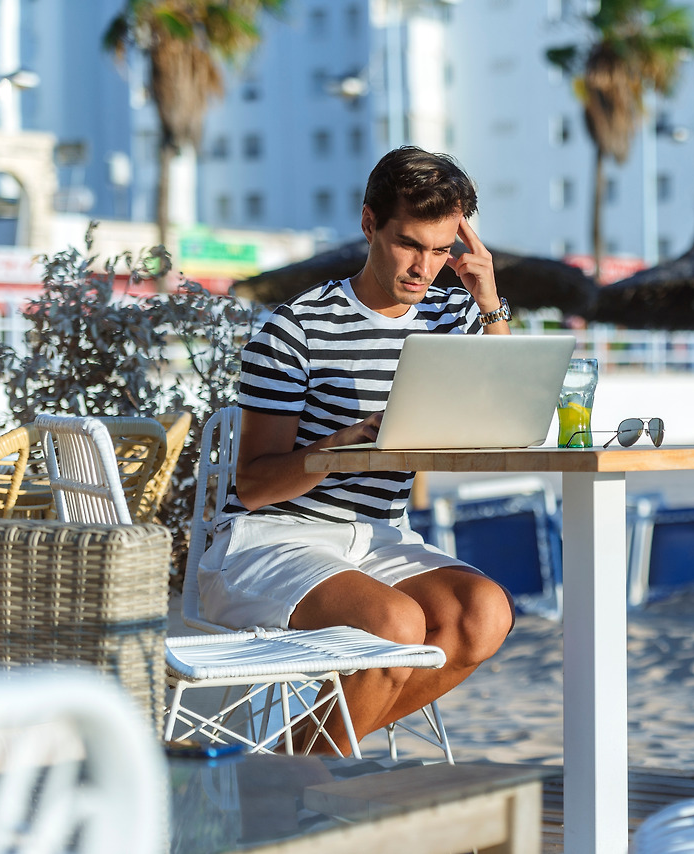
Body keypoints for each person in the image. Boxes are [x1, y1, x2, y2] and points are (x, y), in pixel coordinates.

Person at [199, 146, 516, 755]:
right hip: (270, 539)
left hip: (378, 537)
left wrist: (489, 299)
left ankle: (291, 769)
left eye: (441, 249)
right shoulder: (296, 329)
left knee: (483, 613)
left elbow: (504, 417)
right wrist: (338, 444)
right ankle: (312, 784)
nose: (424, 267)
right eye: (409, 243)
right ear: (369, 223)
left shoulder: (452, 318)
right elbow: (255, 487)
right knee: (394, 626)